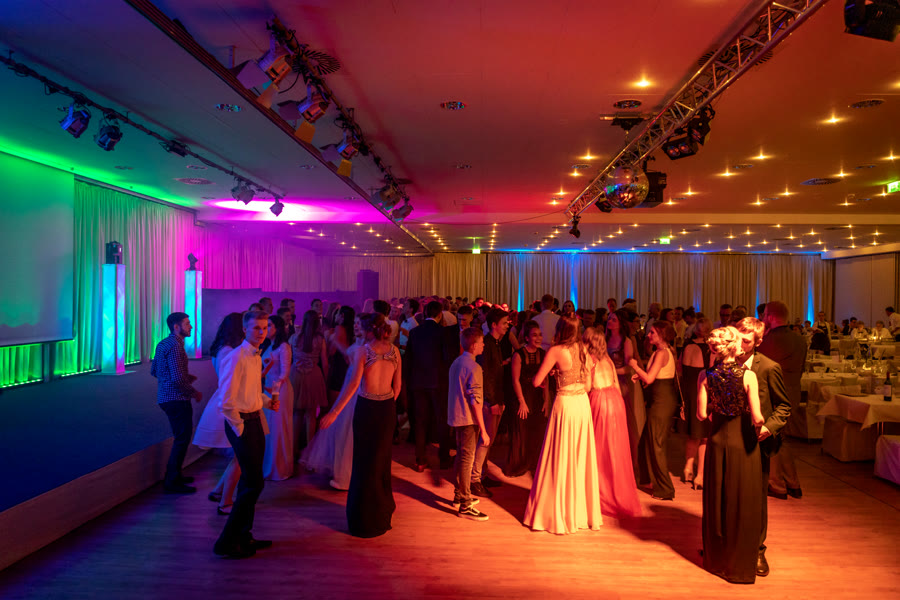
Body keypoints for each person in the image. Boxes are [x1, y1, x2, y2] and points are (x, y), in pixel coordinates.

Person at [320, 313, 402, 538]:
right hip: (386, 410)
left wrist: (334, 412)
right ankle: (380, 514)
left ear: (368, 330)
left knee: (364, 463)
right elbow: (397, 387)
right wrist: (386, 405)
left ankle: (364, 520)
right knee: (381, 462)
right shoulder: (395, 351)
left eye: (359, 327)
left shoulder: (363, 351)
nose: (357, 330)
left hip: (367, 408)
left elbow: (354, 384)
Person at [698, 326, 765, 584]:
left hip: (716, 441)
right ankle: (739, 564)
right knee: (742, 502)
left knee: (717, 501)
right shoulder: (748, 376)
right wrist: (758, 422)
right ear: (735, 346)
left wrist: (718, 405)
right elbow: (757, 417)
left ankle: (717, 561)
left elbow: (701, 415)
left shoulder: (705, 375)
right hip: (742, 443)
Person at [524, 316, 602, 534]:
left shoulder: (556, 351)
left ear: (560, 329)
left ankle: (558, 512)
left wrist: (554, 373)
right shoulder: (584, 349)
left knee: (560, 456)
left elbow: (536, 381)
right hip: (582, 405)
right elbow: (588, 386)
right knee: (579, 457)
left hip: (566, 405)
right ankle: (579, 513)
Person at [213, 310, 280, 559]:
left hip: (254, 420)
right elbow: (226, 400)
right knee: (254, 483)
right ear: (245, 329)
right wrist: (240, 428)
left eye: (265, 328)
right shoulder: (235, 357)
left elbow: (251, 391)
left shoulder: (255, 356)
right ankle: (226, 542)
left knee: (250, 482)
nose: (261, 332)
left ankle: (244, 535)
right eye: (256, 328)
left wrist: (267, 402)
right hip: (241, 423)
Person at [736, 317, 792, 578]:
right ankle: (729, 545)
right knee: (730, 493)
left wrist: (768, 428)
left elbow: (784, 406)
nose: (739, 344)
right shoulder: (724, 362)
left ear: (757, 342)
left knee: (756, 497)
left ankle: (758, 549)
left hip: (756, 441)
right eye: (738, 337)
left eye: (746, 341)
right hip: (729, 438)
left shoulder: (769, 367)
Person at [302, 314, 366, 490]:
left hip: (356, 389)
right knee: (341, 430)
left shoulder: (365, 347)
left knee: (348, 431)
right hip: (348, 386)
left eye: (359, 324)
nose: (356, 326)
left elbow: (348, 355)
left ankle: (347, 475)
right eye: (355, 323)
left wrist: (334, 340)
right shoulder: (358, 345)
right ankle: (342, 472)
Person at [583, 327, 642, 518]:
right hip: (616, 400)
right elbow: (616, 383)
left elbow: (588, 386)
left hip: (600, 400)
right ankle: (618, 490)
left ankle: (600, 491)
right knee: (616, 449)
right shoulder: (608, 359)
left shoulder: (589, 359)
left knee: (599, 450)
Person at [194, 312, 244, 514]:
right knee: (241, 454)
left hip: (225, 399)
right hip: (228, 401)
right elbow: (229, 381)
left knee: (240, 455)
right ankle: (225, 501)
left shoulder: (222, 348)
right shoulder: (228, 351)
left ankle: (219, 491)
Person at [758, 301, 805, 501]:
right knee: (783, 439)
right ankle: (793, 483)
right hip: (793, 392)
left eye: (764, 315)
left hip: (775, 394)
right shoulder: (799, 339)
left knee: (772, 438)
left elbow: (761, 369)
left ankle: (777, 484)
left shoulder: (769, 341)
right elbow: (801, 369)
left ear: (770, 316)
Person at [151, 312, 203, 494]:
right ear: (176, 327)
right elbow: (178, 379)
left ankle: (175, 475)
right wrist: (194, 392)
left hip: (165, 397)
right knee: (182, 439)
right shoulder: (176, 346)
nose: (191, 327)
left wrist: (184, 377)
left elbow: (155, 371)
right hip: (177, 399)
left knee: (180, 437)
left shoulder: (163, 343)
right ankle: (172, 480)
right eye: (187, 324)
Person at [630, 321, 679, 501]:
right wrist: (640, 375)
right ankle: (648, 480)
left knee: (656, 444)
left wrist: (635, 366)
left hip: (662, 401)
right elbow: (655, 376)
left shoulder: (662, 353)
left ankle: (665, 489)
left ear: (662, 335)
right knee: (646, 441)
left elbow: (650, 378)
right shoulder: (662, 351)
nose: (648, 335)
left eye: (652, 333)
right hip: (660, 399)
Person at [447, 327, 490, 521]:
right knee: (467, 459)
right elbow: (475, 400)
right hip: (468, 419)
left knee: (461, 456)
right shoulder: (474, 367)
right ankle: (464, 503)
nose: (483, 345)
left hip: (457, 417)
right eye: (481, 342)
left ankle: (459, 495)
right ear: (473, 345)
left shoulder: (457, 362)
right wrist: (483, 429)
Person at [406, 300, 452, 471]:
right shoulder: (444, 332)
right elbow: (447, 358)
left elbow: (409, 359)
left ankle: (420, 459)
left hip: (418, 382)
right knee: (442, 420)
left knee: (420, 421)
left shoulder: (414, 332)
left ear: (425, 313)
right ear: (440, 315)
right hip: (438, 382)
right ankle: (444, 458)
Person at [471, 307, 509, 496]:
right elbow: (485, 376)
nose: (507, 325)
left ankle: (482, 475)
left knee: (488, 441)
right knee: (485, 441)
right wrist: (493, 401)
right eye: (504, 323)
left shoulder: (494, 343)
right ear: (494, 325)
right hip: (489, 401)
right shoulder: (488, 344)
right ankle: (475, 479)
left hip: (495, 399)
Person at [505, 320, 548, 477]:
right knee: (521, 431)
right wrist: (522, 402)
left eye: (540, 335)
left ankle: (533, 463)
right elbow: (515, 380)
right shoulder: (518, 354)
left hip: (537, 397)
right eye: (534, 335)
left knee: (536, 430)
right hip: (522, 396)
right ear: (527, 337)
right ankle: (518, 465)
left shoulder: (543, 354)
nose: (538, 338)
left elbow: (545, 380)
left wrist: (547, 400)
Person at [606, 309, 642, 476]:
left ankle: (630, 462)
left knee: (625, 421)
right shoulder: (605, 338)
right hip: (605, 382)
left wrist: (611, 372)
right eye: (609, 319)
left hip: (621, 383)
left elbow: (629, 367)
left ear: (620, 323)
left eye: (613, 319)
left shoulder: (626, 341)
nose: (610, 321)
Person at [680, 317, 713, 489]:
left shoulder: (686, 346)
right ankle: (700, 476)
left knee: (693, 434)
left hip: (688, 393)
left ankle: (687, 468)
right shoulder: (709, 350)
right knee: (704, 437)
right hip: (703, 394)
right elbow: (712, 374)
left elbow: (680, 371)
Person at [290, 310, 329, 453]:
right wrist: (326, 379)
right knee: (311, 415)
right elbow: (324, 362)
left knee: (297, 413)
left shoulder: (294, 337)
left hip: (296, 374)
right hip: (314, 375)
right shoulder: (320, 339)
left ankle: (293, 449)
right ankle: (309, 451)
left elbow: (289, 358)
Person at [262, 314, 294, 481]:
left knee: (278, 427)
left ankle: (279, 468)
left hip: (279, 390)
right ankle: (267, 464)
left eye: (269, 326)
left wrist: (273, 391)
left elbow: (284, 374)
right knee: (268, 427)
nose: (265, 329)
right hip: (268, 389)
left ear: (278, 328)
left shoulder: (284, 346)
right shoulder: (268, 345)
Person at [326, 306, 356, 409]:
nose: (335, 316)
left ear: (342, 316)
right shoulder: (352, 329)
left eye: (337, 314)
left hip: (338, 366)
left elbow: (332, 351)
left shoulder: (339, 328)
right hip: (348, 367)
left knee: (333, 404)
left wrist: (329, 339)